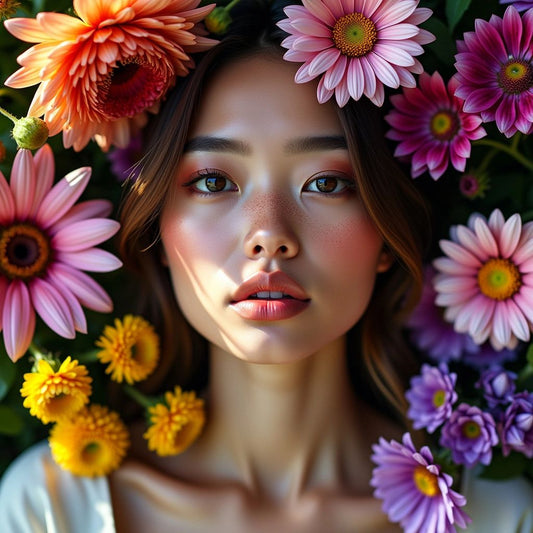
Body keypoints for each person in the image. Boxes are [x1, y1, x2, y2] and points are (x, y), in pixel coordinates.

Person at [1, 1, 531, 532]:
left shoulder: (499, 515)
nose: (269, 236)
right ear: (158, 227)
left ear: (386, 232)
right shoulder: (49, 507)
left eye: (326, 183)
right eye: (213, 182)